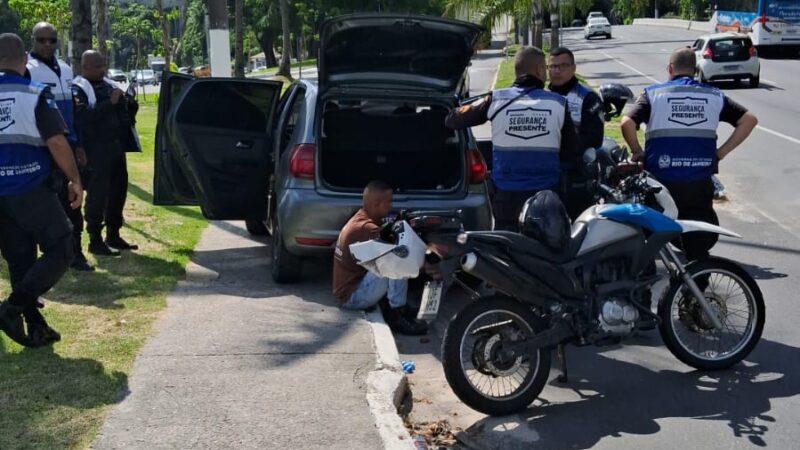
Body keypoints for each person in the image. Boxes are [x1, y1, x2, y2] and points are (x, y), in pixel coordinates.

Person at [621, 47, 758, 262]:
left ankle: (646, 291)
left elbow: (627, 123)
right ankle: (696, 289)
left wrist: (637, 151)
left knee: (650, 244)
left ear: (669, 68)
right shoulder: (713, 95)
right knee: (697, 247)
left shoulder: (654, 94)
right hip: (698, 183)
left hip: (660, 183)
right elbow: (749, 120)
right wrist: (720, 153)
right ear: (694, 70)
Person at [0, 33, 82, 347]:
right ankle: (12, 309)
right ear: (24, 60)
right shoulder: (33, 93)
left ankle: (35, 326)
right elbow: (57, 141)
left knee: (20, 259)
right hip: (29, 188)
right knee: (62, 247)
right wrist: (75, 178)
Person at [445, 46, 578, 231]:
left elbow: (453, 120)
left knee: (505, 250)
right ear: (540, 70)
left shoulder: (495, 100)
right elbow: (571, 151)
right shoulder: (558, 103)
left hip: (507, 199)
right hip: (546, 197)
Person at [25, 22, 93, 271]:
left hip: (66, 145)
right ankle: (45, 255)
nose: (46, 44)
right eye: (41, 39)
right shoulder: (26, 69)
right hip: (41, 148)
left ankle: (75, 254)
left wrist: (78, 144)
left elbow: (71, 113)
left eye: (51, 40)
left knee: (73, 201)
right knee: (41, 203)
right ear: (32, 40)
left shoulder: (65, 69)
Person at [332, 180, 428, 336]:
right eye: (388, 202)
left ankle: (399, 307)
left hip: (353, 289)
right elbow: (396, 248)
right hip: (352, 297)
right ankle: (396, 314)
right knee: (398, 259)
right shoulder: (365, 228)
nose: (391, 206)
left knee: (393, 258)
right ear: (377, 203)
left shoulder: (361, 218)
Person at [72, 50, 139, 256]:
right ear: (85, 67)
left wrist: (129, 103)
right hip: (96, 150)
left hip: (116, 148)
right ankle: (95, 239)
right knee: (98, 195)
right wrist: (109, 103)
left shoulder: (109, 85)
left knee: (118, 191)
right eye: (98, 66)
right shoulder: (78, 88)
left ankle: (114, 233)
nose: (103, 70)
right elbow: (83, 117)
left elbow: (126, 116)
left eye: (104, 65)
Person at [547, 47, 605, 220]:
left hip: (575, 175)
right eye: (553, 66)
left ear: (573, 68)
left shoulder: (588, 98)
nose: (557, 71)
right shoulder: (541, 96)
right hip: (546, 173)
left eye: (563, 66)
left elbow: (595, 137)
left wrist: (565, 148)